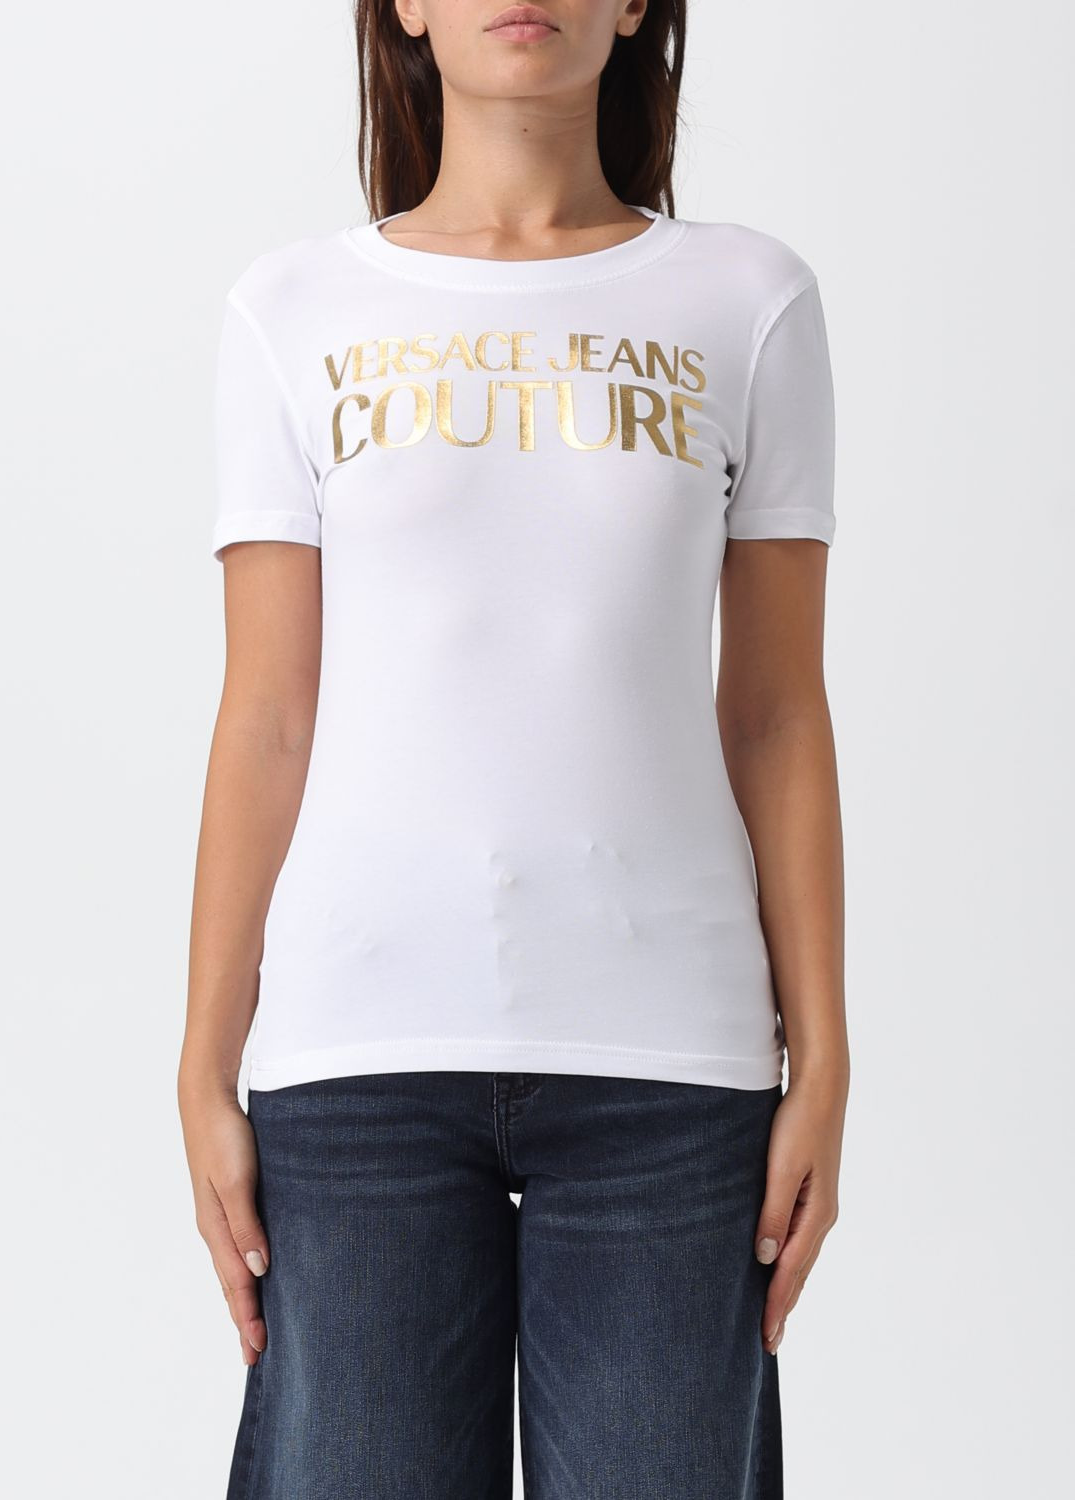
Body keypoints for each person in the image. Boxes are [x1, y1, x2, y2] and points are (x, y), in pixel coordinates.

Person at [177, 2, 850, 1495]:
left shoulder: (747, 300)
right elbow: (268, 714)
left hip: (670, 1060)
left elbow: (777, 712)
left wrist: (824, 1058)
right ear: (405, 8)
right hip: (359, 1056)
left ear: (635, 4)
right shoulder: (293, 309)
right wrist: (204, 1065)